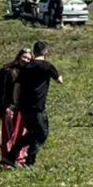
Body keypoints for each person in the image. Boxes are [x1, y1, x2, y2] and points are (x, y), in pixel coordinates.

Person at [11, 40, 64, 168]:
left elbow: (17, 87)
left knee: (32, 132)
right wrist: (59, 73)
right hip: (37, 106)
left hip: (24, 106)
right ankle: (28, 159)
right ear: (45, 52)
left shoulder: (26, 68)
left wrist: (16, 102)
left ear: (34, 52)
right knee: (41, 133)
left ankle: (14, 154)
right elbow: (60, 81)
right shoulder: (47, 66)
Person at [0, 47, 30, 169]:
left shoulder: (28, 72)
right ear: (19, 56)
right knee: (9, 134)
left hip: (23, 108)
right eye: (24, 57)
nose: (26, 60)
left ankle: (20, 158)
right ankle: (7, 159)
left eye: (28, 59)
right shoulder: (7, 71)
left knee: (22, 133)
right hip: (9, 106)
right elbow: (0, 91)